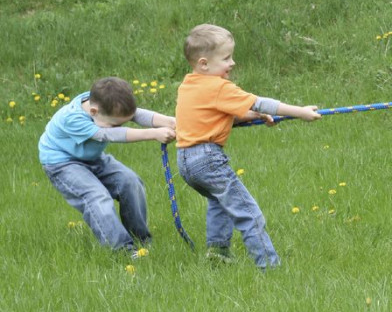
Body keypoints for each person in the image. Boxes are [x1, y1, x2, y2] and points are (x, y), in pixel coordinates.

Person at [175, 23, 322, 269]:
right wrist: (300, 112)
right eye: (226, 58)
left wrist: (250, 115)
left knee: (219, 202)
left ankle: (218, 254)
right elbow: (261, 102)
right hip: (207, 158)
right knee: (249, 214)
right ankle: (270, 267)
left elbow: (211, 112)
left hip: (185, 161)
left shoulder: (189, 85)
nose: (232, 63)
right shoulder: (219, 86)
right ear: (204, 64)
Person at [39, 76, 177, 258]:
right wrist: (153, 133)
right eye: (116, 123)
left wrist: (172, 122)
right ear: (94, 111)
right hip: (62, 163)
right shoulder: (72, 119)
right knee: (97, 197)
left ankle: (141, 240)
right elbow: (109, 134)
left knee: (130, 182)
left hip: (92, 157)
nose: (121, 124)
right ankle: (122, 251)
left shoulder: (105, 103)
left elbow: (137, 114)